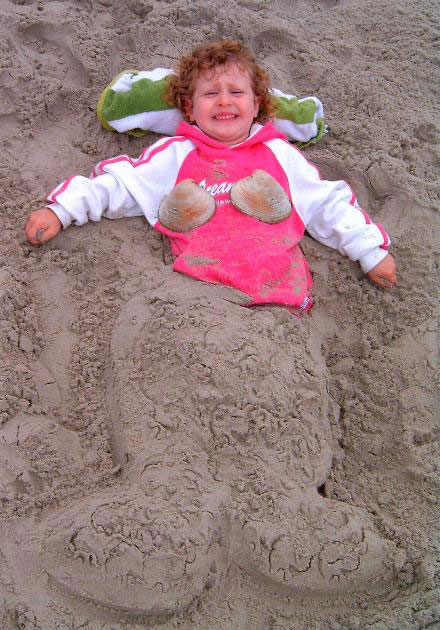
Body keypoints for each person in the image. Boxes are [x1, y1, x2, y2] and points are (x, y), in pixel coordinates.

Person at [25, 39, 396, 312]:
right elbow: (120, 184)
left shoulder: (280, 155)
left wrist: (369, 251)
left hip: (282, 296)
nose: (223, 101)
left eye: (236, 92)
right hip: (198, 299)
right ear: (188, 107)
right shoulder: (176, 155)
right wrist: (61, 211)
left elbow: (326, 203)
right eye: (209, 93)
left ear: (256, 106)